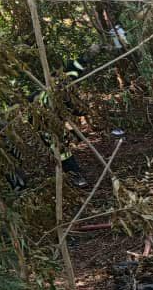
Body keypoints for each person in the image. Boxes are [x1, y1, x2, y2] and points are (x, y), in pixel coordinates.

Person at [29, 43, 104, 188]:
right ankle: (74, 175)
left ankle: (71, 172)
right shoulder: (52, 94)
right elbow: (75, 110)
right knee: (60, 150)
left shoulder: (66, 79)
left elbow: (77, 65)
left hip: (52, 119)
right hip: (42, 123)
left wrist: (92, 51)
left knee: (62, 145)